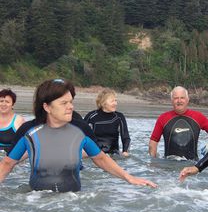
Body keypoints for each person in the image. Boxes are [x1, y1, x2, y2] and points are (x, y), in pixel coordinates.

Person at [0, 79, 157, 192]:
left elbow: (100, 158)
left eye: (71, 101)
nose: (71, 107)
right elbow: (8, 163)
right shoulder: (28, 131)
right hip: (36, 201)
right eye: (64, 103)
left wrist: (129, 178)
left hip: (73, 202)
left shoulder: (80, 129)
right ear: (47, 107)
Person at [149, 86, 208, 160]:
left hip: (192, 165)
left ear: (187, 100)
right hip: (169, 165)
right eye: (176, 98)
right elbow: (153, 142)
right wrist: (153, 162)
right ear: (171, 100)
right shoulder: (163, 118)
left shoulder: (198, 117)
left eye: (182, 98)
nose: (179, 101)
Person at [84, 88, 130, 157]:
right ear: (103, 103)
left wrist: (125, 151)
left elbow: (125, 137)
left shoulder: (119, 117)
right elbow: (80, 134)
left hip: (113, 155)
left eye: (116, 100)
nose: (115, 103)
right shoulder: (91, 116)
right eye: (112, 101)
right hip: (95, 155)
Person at [0, 89, 25, 154]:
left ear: (13, 104)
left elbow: (26, 145)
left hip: (9, 158)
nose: (3, 104)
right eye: (1, 101)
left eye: (7, 102)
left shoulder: (19, 121)